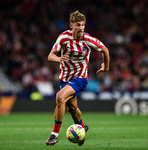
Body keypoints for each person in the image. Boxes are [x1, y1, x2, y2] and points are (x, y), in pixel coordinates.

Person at [46, 10, 110, 146]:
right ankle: (82, 128)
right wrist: (59, 59)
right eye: (77, 25)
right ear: (71, 25)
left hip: (80, 78)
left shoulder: (88, 40)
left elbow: (105, 49)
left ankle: (54, 135)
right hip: (64, 78)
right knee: (72, 109)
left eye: (82, 25)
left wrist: (106, 66)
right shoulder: (63, 38)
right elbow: (50, 56)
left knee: (60, 97)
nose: (80, 28)